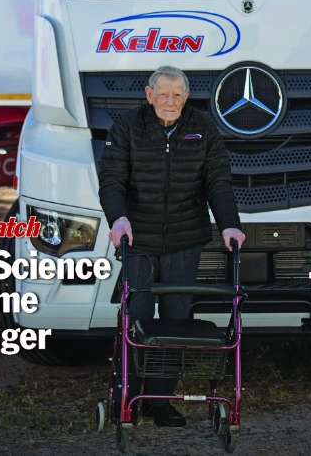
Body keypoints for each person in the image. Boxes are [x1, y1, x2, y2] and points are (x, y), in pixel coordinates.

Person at [98, 64, 245, 429]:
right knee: (139, 317)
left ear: (186, 97)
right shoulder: (128, 127)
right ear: (149, 95)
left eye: (177, 94)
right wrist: (118, 219)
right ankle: (128, 396)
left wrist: (230, 225)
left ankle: (159, 401)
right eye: (163, 93)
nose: (170, 101)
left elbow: (218, 181)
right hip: (139, 240)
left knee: (176, 321)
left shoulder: (202, 128)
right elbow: (111, 180)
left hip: (184, 240)